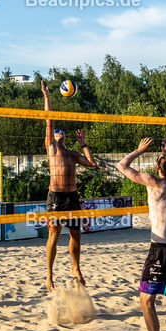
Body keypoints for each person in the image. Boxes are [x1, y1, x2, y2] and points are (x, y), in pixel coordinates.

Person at [117, 138, 166, 331]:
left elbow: (122, 165)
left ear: (158, 168)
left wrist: (139, 150)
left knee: (147, 301)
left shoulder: (153, 183)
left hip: (160, 250)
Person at [41, 79, 97, 291]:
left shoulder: (73, 154)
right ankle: (49, 275)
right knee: (53, 237)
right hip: (55, 198)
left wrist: (84, 145)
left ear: (66, 138)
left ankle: (75, 267)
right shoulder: (52, 149)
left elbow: (92, 163)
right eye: (57, 132)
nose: (59, 133)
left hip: (72, 198)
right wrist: (47, 96)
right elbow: (49, 121)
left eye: (62, 132)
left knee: (76, 235)